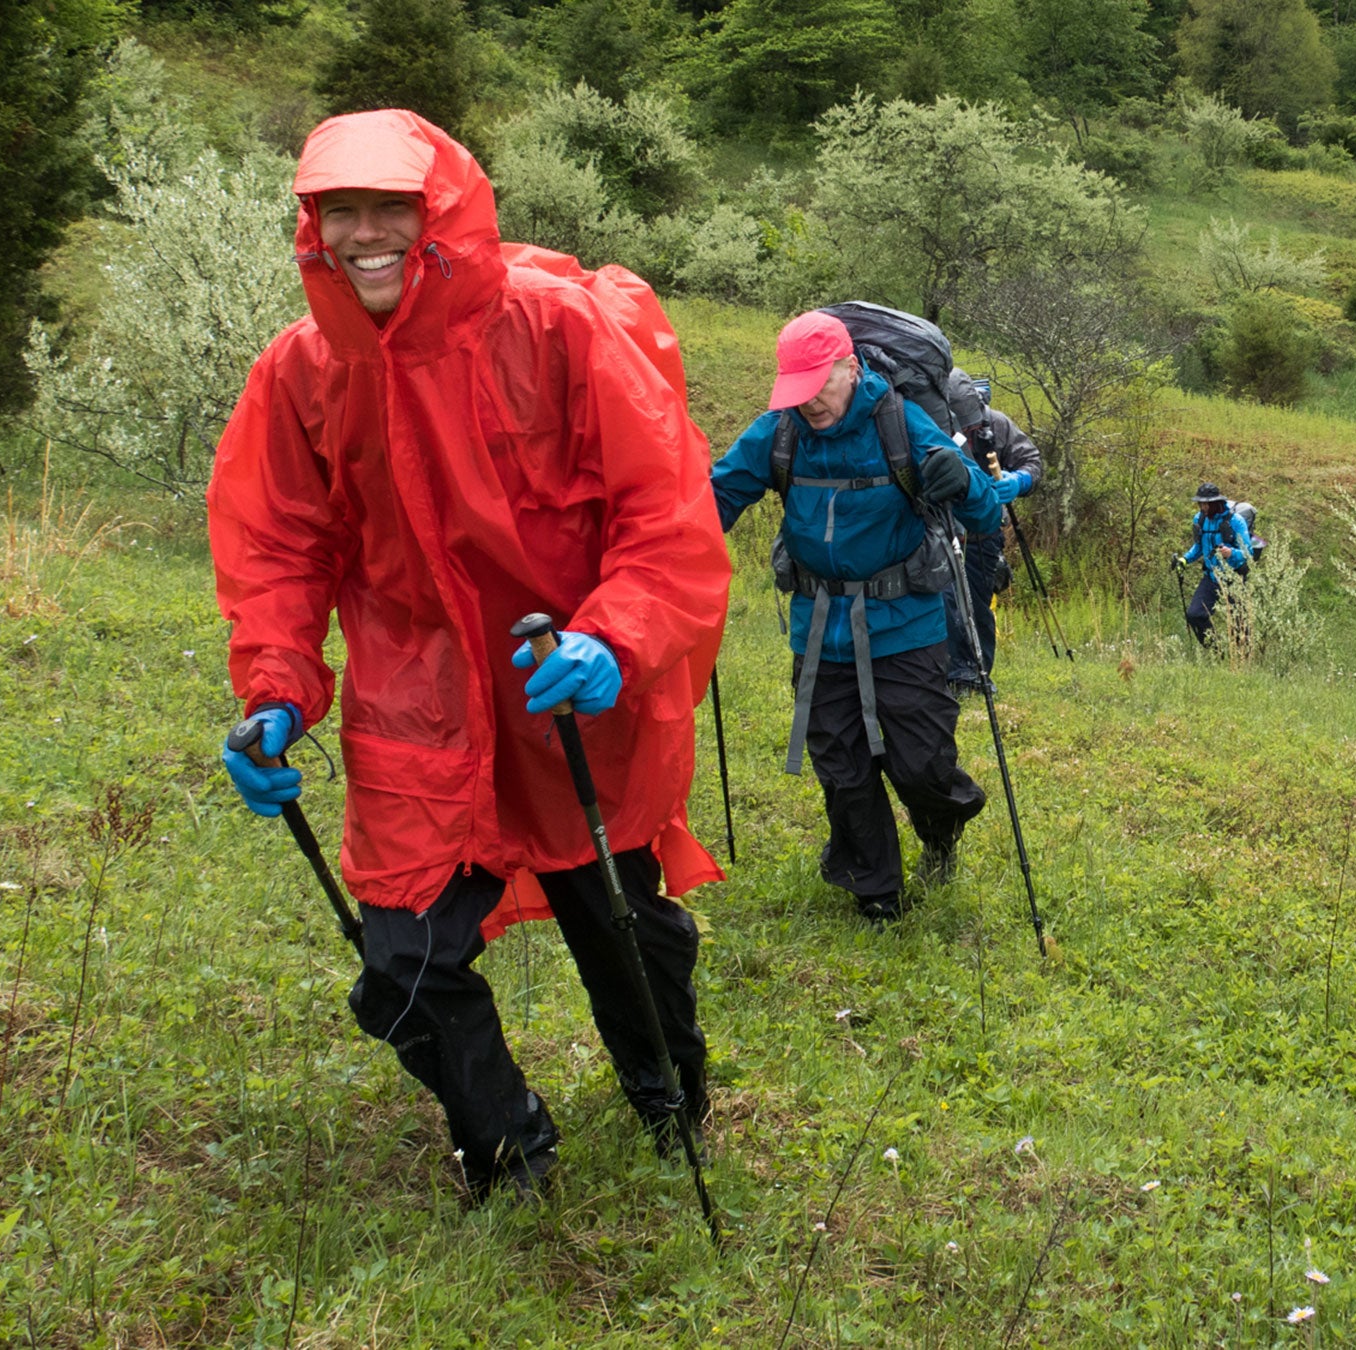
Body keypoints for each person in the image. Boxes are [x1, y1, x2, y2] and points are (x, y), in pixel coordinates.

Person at [206, 110, 731, 1207]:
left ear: (437, 213)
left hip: (567, 684)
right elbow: (279, 548)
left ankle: (669, 1095)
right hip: (418, 700)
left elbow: (664, 515)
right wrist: (276, 689)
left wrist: (613, 637)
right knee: (402, 963)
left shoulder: (558, 331)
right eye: (336, 213)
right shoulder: (302, 371)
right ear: (313, 231)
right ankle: (507, 1152)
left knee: (623, 926)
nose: (362, 236)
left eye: (385, 209)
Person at [711, 312, 1006, 923]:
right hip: (818, 628)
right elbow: (713, 499)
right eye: (797, 388)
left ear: (851, 367)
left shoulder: (899, 422)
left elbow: (982, 516)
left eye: (819, 384)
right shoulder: (780, 431)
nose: (810, 401)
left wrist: (965, 481)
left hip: (906, 623)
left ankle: (941, 826)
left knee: (920, 762)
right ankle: (875, 888)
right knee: (842, 765)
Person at [940, 370, 1040, 695]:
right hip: (942, 536)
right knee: (947, 603)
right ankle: (955, 675)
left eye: (973, 425)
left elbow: (1032, 461)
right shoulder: (929, 427)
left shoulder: (996, 424)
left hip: (984, 538)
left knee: (978, 607)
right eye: (963, 427)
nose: (970, 433)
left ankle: (979, 674)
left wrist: (1019, 481)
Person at [1178, 481, 1255, 645]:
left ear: (1216, 503)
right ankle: (1216, 650)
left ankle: (1243, 662)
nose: (1203, 507)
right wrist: (1184, 559)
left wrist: (1231, 553)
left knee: (1239, 624)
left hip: (1234, 577)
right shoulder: (1199, 519)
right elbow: (1198, 546)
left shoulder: (1236, 521)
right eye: (1201, 503)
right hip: (1211, 577)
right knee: (1195, 615)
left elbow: (1248, 552)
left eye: (1206, 504)